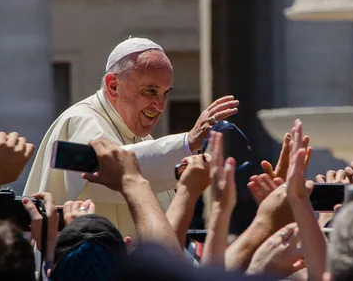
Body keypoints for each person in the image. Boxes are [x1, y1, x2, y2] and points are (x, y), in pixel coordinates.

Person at [23, 37, 239, 238]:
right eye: (150, 91)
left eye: (165, 93)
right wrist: (187, 142)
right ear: (113, 86)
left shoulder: (143, 142)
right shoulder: (81, 120)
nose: (160, 105)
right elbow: (114, 169)